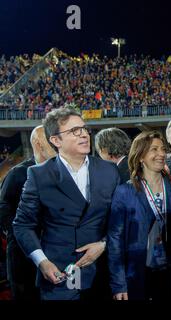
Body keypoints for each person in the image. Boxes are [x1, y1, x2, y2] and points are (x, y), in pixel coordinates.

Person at [13, 107, 120, 300]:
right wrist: (42, 262)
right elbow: (22, 225)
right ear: (55, 140)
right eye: (74, 131)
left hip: (103, 271)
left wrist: (104, 244)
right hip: (62, 274)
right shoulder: (39, 175)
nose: (84, 135)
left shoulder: (109, 171)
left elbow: (120, 220)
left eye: (84, 129)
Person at [107, 131, 171, 300]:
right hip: (138, 272)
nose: (161, 154)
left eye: (162, 149)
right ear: (140, 157)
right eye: (154, 149)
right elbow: (115, 240)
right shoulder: (125, 192)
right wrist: (118, 283)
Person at [0, 125, 56, 300]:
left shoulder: (60, 169)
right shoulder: (18, 173)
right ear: (38, 144)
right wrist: (23, 233)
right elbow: (3, 208)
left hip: (52, 251)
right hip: (23, 255)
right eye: (49, 140)